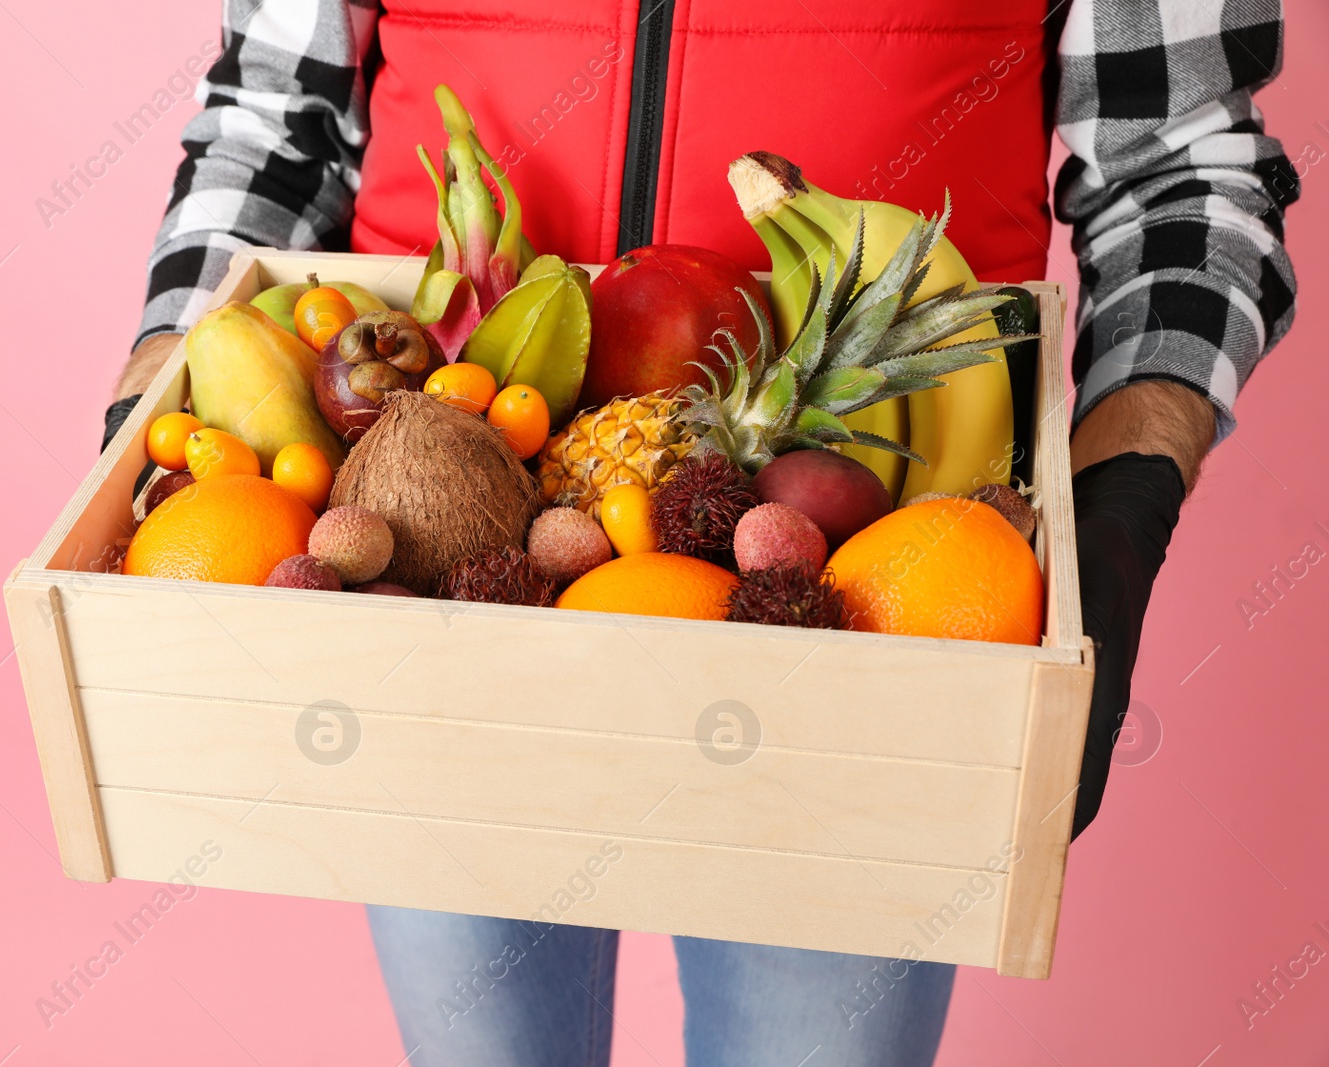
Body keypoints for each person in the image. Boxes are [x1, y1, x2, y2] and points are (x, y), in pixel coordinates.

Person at [103, 1, 1298, 1062]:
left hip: (881, 560)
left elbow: (1177, 169)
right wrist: (150, 404)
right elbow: (272, 121)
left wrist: (1127, 484)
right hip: (430, 529)